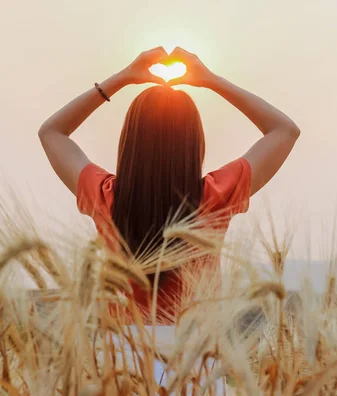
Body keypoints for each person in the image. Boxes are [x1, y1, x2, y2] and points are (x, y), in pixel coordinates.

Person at [38, 46, 301, 324]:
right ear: (194, 142)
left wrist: (122, 77)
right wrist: (211, 80)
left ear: (130, 142)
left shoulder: (105, 197)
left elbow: (51, 132)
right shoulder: (215, 196)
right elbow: (285, 130)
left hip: (122, 360)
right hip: (196, 359)